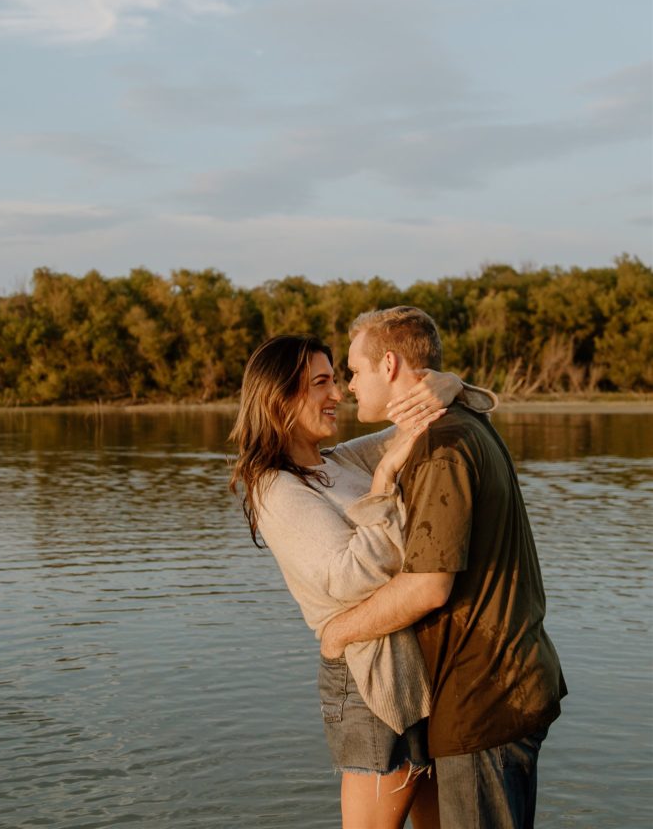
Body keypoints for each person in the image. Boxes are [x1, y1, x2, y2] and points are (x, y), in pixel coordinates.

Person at [228, 334, 497, 829]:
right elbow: (348, 578)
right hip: (369, 677)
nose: (338, 394)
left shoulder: (336, 463)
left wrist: (446, 383)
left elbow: (440, 416)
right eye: (321, 383)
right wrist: (384, 485)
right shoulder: (276, 487)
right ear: (279, 398)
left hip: (413, 671)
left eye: (337, 379)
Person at [321, 307, 567, 829]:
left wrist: (337, 631)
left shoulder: (441, 446)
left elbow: (428, 586)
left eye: (354, 370)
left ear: (388, 365)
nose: (348, 386)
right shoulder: (462, 422)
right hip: (504, 687)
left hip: (485, 700)